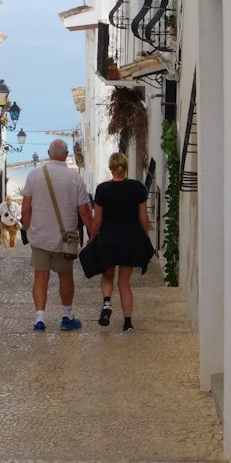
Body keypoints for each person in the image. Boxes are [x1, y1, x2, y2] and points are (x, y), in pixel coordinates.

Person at [21, 138, 93, 331]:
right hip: (65, 238)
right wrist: (94, 234)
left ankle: (40, 319)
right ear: (66, 155)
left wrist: (30, 231)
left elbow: (25, 209)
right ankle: (66, 317)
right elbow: (84, 211)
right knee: (65, 275)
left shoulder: (34, 175)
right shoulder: (75, 178)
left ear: (48, 153)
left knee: (40, 276)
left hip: (40, 236)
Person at [89, 151, 153, 330]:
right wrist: (144, 236)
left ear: (111, 168)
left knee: (108, 274)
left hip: (108, 239)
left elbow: (98, 220)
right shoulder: (138, 187)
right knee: (124, 283)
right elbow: (144, 218)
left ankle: (107, 303)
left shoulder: (102, 189)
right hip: (130, 240)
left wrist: (92, 238)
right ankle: (128, 323)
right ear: (125, 167)